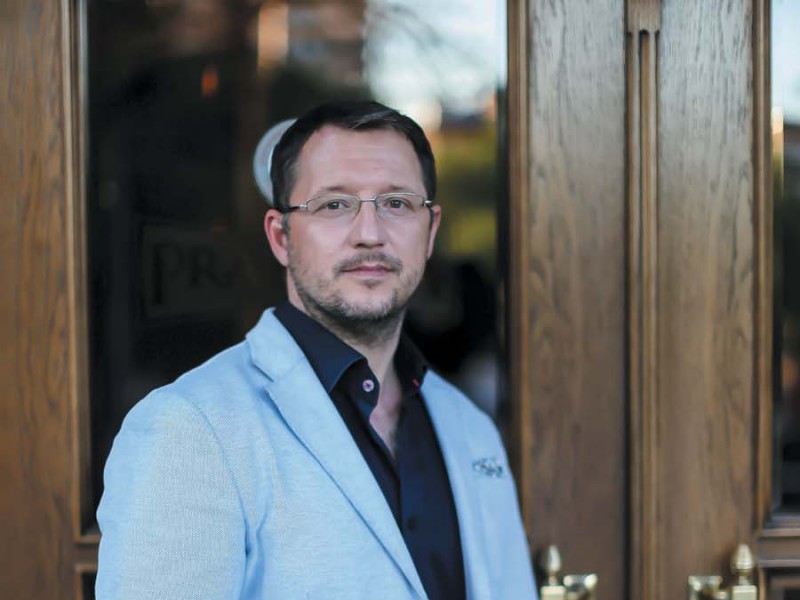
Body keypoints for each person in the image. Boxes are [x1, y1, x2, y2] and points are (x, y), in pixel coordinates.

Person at [96, 100, 537, 600]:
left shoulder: (470, 430)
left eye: (396, 203)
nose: (370, 234)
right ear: (281, 237)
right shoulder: (190, 430)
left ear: (430, 231)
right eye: (334, 205)